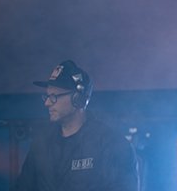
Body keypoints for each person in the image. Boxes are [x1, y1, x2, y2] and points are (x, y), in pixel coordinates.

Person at [12, 60, 139, 191]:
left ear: (78, 98)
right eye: (47, 96)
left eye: (54, 96)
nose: (48, 103)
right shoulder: (42, 142)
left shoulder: (111, 142)